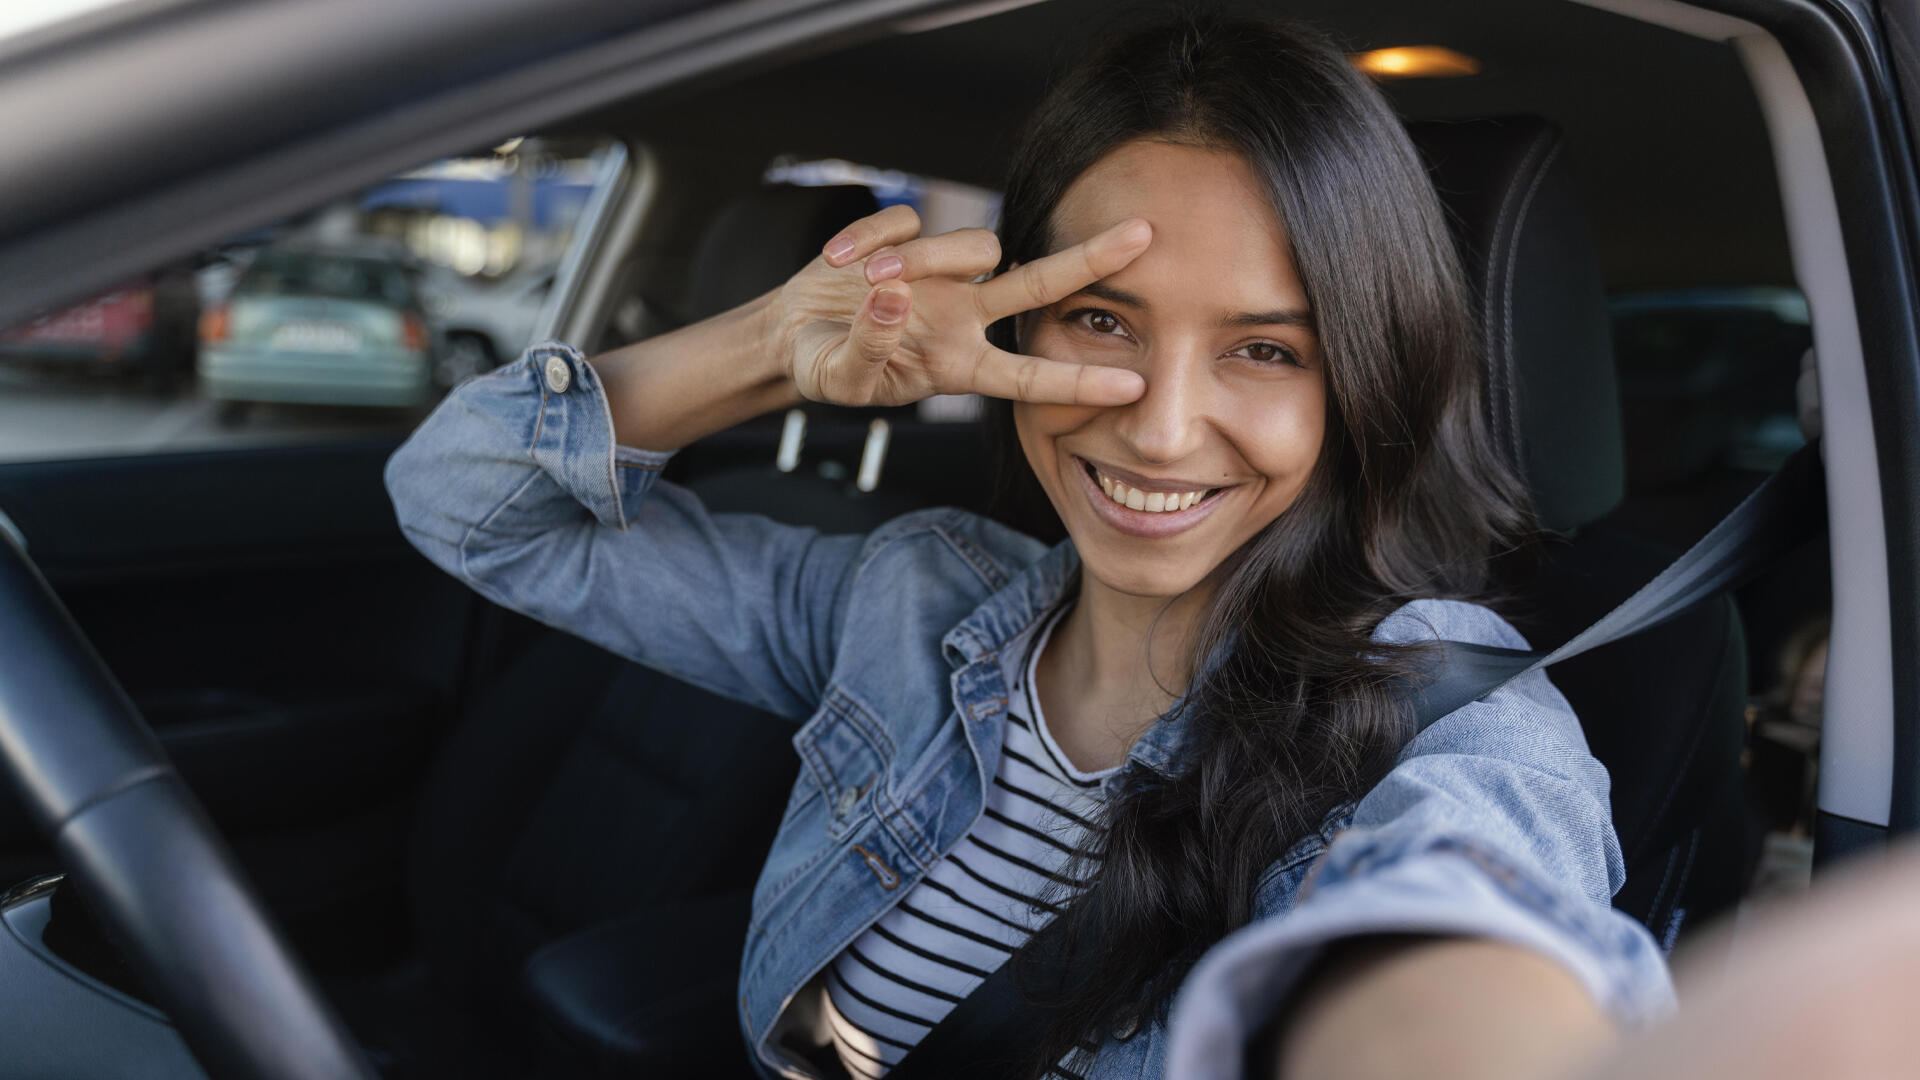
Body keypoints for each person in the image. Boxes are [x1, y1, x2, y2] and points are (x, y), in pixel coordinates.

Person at [385, 14, 1671, 1080]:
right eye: (1102, 321)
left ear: (1366, 383)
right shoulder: (910, 601)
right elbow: (466, 500)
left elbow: (1474, 940)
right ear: (1015, 325)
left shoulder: (1446, 717)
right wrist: (773, 346)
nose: (1161, 429)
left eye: (1265, 349)